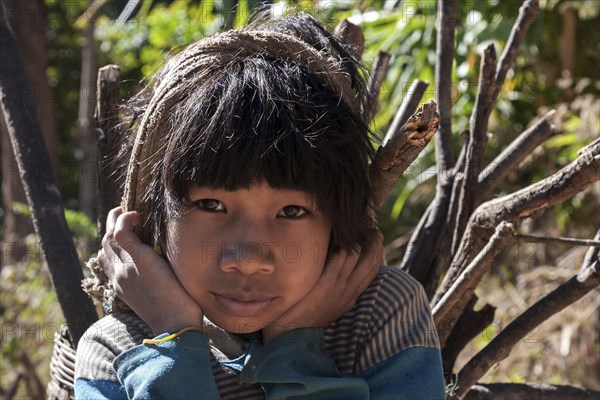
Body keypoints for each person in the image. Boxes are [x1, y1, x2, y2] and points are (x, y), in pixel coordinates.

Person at [74, 12, 445, 399]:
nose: (248, 258)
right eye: (212, 204)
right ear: (154, 216)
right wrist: (173, 336)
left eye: (291, 211)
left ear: (337, 223)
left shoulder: (378, 316)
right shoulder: (117, 351)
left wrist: (296, 346)